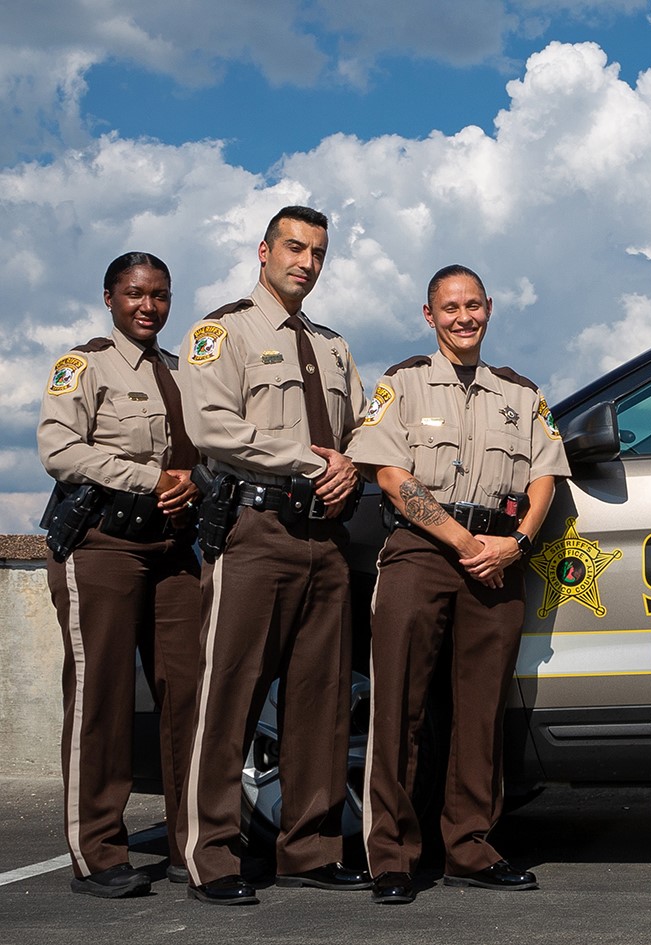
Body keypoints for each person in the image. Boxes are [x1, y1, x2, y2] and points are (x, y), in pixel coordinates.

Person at [349, 265, 569, 905]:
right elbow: (391, 478)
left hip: (499, 559)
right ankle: (391, 856)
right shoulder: (403, 385)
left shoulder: (520, 394)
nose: (463, 318)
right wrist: (462, 541)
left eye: (473, 306)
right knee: (400, 709)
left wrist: (516, 543)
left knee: (480, 715)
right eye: (450, 308)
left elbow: (543, 479)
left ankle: (471, 848)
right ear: (429, 315)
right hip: (422, 552)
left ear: (490, 309)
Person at [176, 205, 371, 905]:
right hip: (255, 532)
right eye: (294, 248)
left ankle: (309, 848)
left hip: (324, 538)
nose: (306, 262)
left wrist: (349, 465)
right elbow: (210, 426)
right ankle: (213, 855)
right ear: (264, 251)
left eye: (318, 252)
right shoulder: (220, 332)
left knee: (319, 702)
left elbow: (357, 430)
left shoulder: (335, 345)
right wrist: (309, 460)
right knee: (227, 697)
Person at [37, 252, 204, 898]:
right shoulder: (83, 365)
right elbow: (59, 449)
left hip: (171, 552)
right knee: (101, 699)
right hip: (100, 546)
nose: (148, 306)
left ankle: (197, 842)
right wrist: (147, 479)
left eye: (159, 295)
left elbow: (208, 451)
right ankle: (98, 850)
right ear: (109, 298)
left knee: (190, 695)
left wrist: (195, 480)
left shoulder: (182, 375)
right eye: (135, 293)